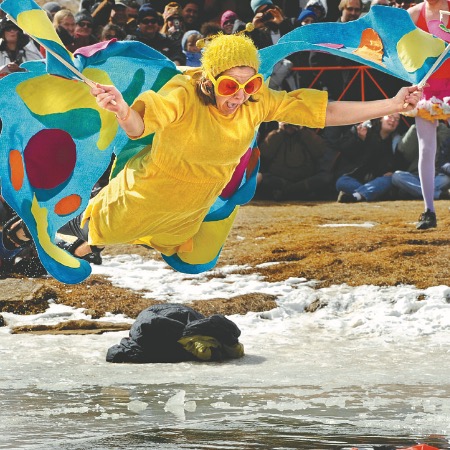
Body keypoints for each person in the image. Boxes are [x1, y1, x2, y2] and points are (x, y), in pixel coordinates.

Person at [2, 32, 421, 267]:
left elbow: (324, 112)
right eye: (229, 84)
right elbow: (142, 124)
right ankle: (53, 226)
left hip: (192, 204)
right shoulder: (184, 93)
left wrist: (392, 103)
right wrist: (123, 110)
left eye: (249, 84)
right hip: (148, 190)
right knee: (105, 231)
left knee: (192, 255)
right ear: (210, 79)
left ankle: (70, 234)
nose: (239, 95)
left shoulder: (257, 101)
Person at [406, 0, 450, 229]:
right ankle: (428, 210)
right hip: (426, 86)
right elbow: (399, 47)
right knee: (426, 148)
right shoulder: (413, 14)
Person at [256, 122, 336, 200]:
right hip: (280, 179)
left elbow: (320, 151)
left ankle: (287, 192)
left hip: (304, 179)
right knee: (259, 177)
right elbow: (265, 153)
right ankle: (297, 192)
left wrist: (302, 130)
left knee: (325, 178)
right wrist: (280, 131)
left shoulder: (306, 133)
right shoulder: (276, 133)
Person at [335, 114, 403, 202]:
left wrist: (391, 171)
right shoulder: (364, 130)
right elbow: (344, 149)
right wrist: (360, 139)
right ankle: (369, 194)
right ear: (381, 118)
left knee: (391, 178)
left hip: (377, 181)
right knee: (341, 182)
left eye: (397, 119)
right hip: (356, 178)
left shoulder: (396, 141)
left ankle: (358, 195)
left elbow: (394, 164)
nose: (393, 120)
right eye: (390, 116)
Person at [392, 123, 450, 206]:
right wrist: (419, 126)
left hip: (435, 177)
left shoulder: (442, 134)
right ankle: (438, 194)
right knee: (396, 176)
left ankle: (413, 192)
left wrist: (436, 126)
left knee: (445, 179)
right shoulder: (416, 133)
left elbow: (446, 137)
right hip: (415, 176)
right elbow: (405, 150)